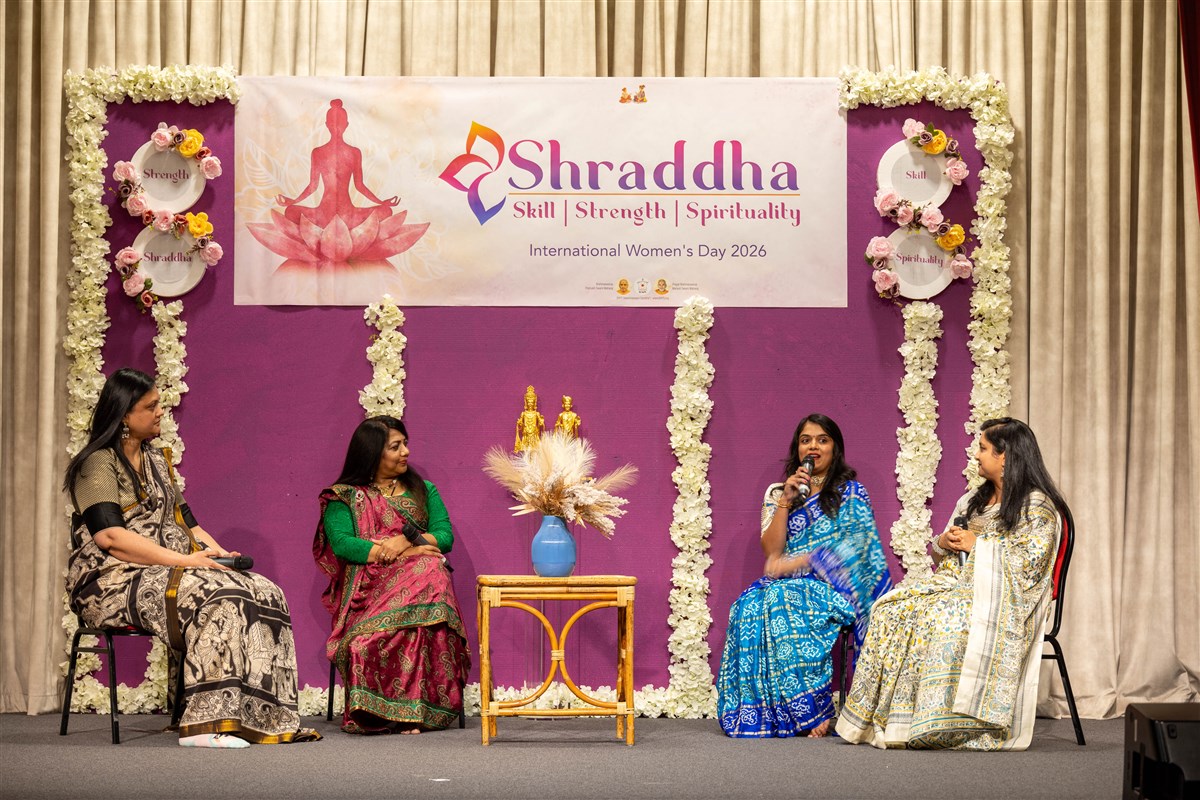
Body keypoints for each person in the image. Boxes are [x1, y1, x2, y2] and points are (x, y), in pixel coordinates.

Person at [63, 368, 319, 749]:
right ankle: (206, 723)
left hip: (167, 568)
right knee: (218, 597)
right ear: (125, 415)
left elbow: (189, 525)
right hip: (111, 581)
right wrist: (187, 562)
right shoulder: (98, 463)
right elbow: (110, 538)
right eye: (151, 406)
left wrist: (217, 555)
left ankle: (261, 717)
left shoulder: (156, 461)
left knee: (265, 591)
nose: (160, 412)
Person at [836, 418, 1066, 750]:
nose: (976, 455)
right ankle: (891, 720)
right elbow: (941, 550)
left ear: (1005, 456)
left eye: (983, 448)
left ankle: (944, 724)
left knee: (939, 616)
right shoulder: (973, 500)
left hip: (1002, 600)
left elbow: (1030, 564)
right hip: (955, 584)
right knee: (889, 609)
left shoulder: (1036, 507)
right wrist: (945, 541)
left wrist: (978, 544)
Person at [717, 414, 893, 738]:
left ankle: (813, 709)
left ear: (835, 448)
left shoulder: (852, 492)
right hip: (789, 582)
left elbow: (855, 550)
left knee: (783, 600)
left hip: (836, 585)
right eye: (806, 440)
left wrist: (807, 561)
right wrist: (786, 501)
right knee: (747, 605)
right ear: (797, 448)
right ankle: (771, 711)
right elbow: (772, 551)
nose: (813, 446)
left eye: (822, 440)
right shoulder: (779, 493)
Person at [314, 416, 470, 734]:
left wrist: (404, 541)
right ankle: (392, 712)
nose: (406, 452)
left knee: (432, 571)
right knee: (426, 571)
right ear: (372, 453)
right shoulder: (345, 497)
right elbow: (343, 544)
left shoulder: (423, 490)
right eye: (396, 447)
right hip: (369, 586)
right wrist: (405, 551)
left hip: (421, 580)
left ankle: (419, 711)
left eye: (405, 444)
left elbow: (444, 536)